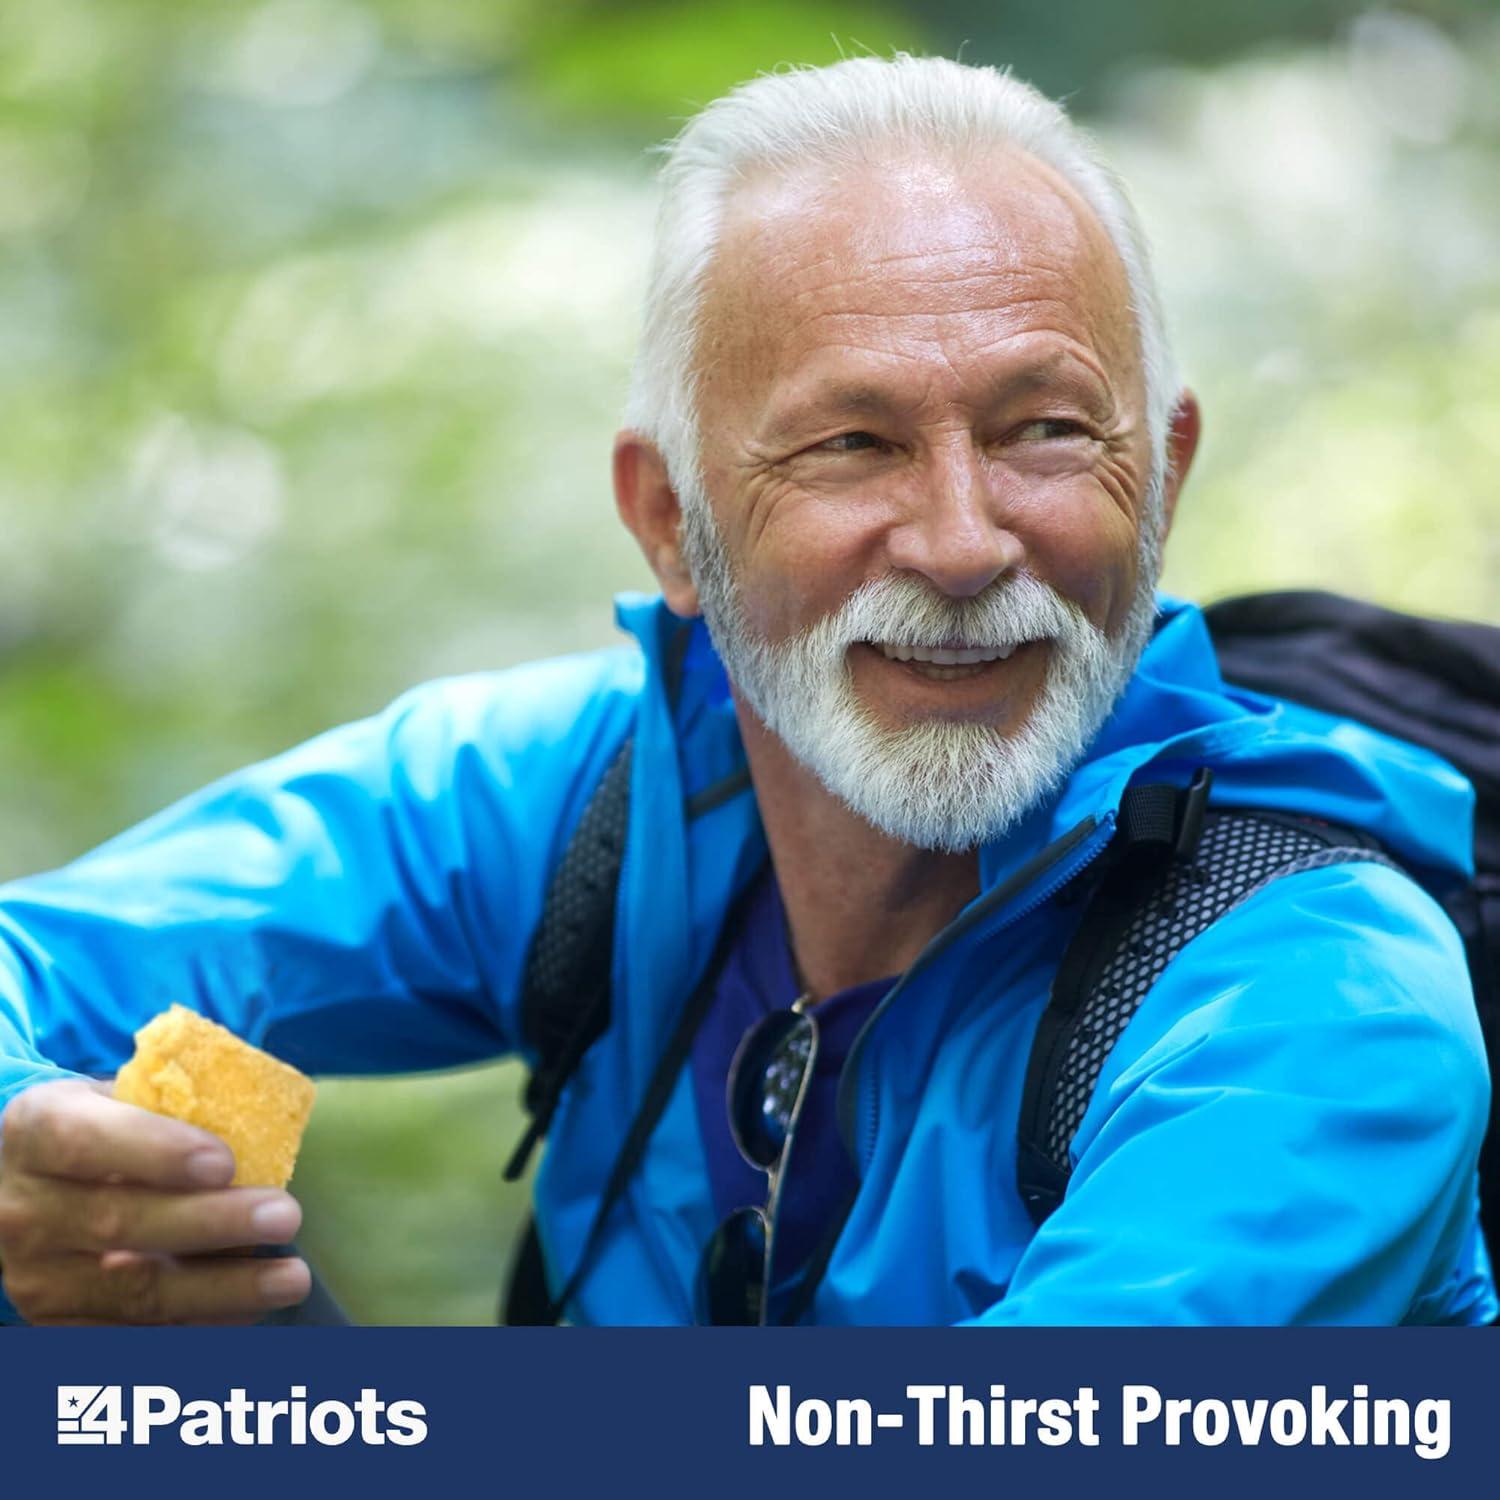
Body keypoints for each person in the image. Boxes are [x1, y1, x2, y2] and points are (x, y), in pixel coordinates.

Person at [0, 55, 1491, 1327]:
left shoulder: (1320, 1010)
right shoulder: (601, 795)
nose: (965, 543)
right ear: (672, 524)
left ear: (1161, 469)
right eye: (850, 445)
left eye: (1042, 429)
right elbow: (34, 965)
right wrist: (27, 1156)